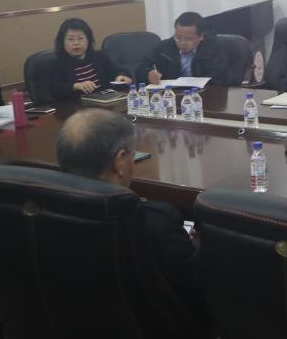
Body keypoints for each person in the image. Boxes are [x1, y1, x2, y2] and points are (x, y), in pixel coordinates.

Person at [55, 109, 205, 318]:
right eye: (133, 155)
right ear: (120, 161)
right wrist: (188, 243)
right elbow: (197, 292)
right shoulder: (158, 221)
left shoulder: (46, 211)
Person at [135, 12, 228, 85]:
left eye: (188, 39)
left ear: (201, 36)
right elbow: (141, 68)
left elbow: (220, 78)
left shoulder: (214, 49)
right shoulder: (164, 48)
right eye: (178, 37)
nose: (183, 42)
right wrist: (148, 74)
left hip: (206, 96)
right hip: (173, 95)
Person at [50, 18, 132, 99]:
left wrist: (122, 77)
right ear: (62, 42)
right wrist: (75, 86)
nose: (76, 43)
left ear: (88, 39)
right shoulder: (57, 64)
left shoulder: (99, 57)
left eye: (80, 38)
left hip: (106, 103)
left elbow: (119, 71)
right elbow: (54, 90)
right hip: (77, 106)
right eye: (70, 39)